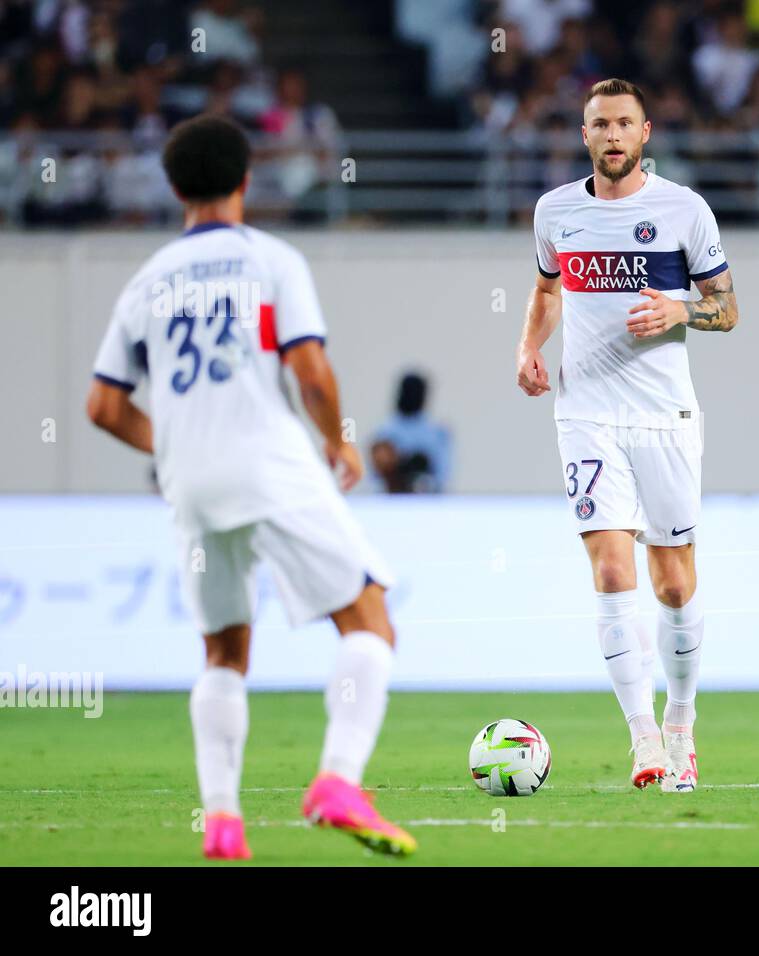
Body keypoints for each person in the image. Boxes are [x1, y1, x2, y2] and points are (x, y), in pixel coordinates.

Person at [86, 115, 416, 860]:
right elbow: (308, 367)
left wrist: (168, 443)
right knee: (370, 619)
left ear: (173, 187)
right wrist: (337, 441)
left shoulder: (146, 282)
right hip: (268, 461)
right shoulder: (269, 260)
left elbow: (102, 406)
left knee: (224, 652)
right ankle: (336, 782)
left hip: (190, 485)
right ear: (246, 179)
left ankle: (224, 822)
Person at [517, 78, 739, 793]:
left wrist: (678, 311)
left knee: (673, 584)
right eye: (599, 124)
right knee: (613, 572)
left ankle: (680, 720)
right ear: (584, 135)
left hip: (664, 416)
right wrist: (527, 348)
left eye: (624, 123)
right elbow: (548, 289)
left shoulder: (683, 209)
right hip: (585, 413)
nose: (612, 135)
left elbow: (727, 309)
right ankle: (644, 739)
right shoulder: (556, 212)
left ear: (646, 134)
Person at [370, 371, 454, 494]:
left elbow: (443, 474)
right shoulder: (384, 432)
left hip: (428, 501)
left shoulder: (437, 432)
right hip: (391, 501)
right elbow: (375, 476)